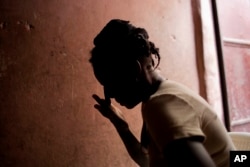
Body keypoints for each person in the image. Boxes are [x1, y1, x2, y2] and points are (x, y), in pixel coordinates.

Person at [89, 19, 235, 167]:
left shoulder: (162, 106)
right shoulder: (159, 97)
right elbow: (147, 161)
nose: (109, 94)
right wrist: (122, 127)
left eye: (110, 83)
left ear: (134, 69)